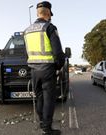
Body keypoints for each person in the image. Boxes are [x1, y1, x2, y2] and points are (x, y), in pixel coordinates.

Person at [24, 1, 65, 135]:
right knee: (48, 99)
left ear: (37, 13)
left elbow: (27, 52)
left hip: (34, 70)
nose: (50, 17)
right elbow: (58, 52)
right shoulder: (49, 27)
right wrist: (59, 66)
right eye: (50, 15)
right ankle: (47, 129)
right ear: (48, 13)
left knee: (40, 98)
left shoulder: (27, 31)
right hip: (47, 69)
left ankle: (42, 122)